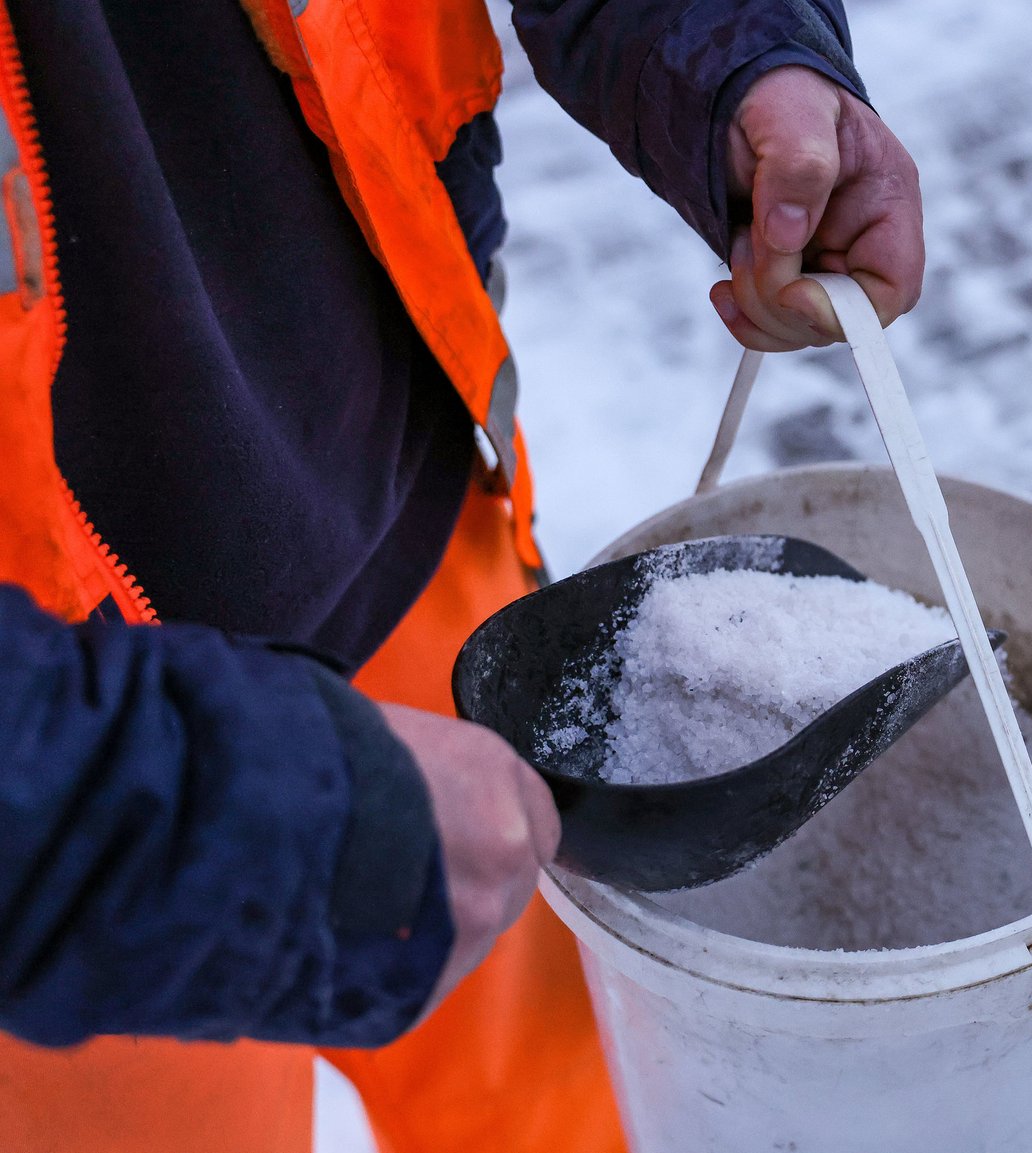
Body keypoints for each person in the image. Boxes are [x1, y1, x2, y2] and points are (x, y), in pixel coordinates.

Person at [0, 0, 922, 1149]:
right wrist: (194, 811)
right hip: (77, 792)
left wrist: (735, 48)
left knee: (567, 1103)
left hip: (411, 508)